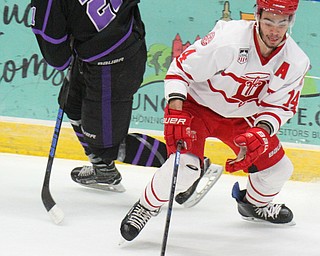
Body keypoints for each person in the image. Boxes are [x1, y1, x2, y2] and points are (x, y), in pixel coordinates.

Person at [120, 0, 310, 241]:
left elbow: (281, 106)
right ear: (258, 15)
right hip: (196, 106)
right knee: (185, 169)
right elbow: (180, 70)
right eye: (269, 21)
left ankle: (253, 205)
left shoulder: (295, 61)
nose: (275, 30)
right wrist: (176, 111)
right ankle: (146, 206)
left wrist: (260, 133)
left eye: (282, 22)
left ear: (291, 21)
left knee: (279, 169)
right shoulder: (229, 40)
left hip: (241, 117)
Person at [30, 0, 153, 190]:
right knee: (71, 104)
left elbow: (58, 59)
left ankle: (188, 165)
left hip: (111, 66)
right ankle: (104, 171)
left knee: (106, 145)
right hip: (123, 39)